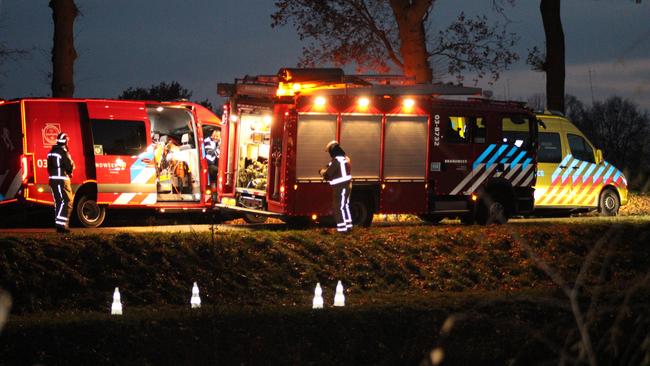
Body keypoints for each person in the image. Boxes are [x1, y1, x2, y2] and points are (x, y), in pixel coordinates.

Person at [319, 140, 352, 233]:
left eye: (330, 151)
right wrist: (325, 169)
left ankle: (342, 229)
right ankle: (348, 225)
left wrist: (322, 172)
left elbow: (328, 175)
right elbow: (330, 166)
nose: (330, 153)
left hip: (339, 188)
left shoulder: (337, 161)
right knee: (345, 206)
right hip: (347, 186)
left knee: (338, 207)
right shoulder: (345, 159)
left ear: (333, 150)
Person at [47, 132, 75, 233]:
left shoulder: (51, 152)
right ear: (66, 141)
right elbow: (69, 166)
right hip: (62, 180)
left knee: (59, 202)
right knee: (67, 201)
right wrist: (71, 169)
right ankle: (62, 226)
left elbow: (49, 168)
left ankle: (59, 225)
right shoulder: (63, 152)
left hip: (53, 181)